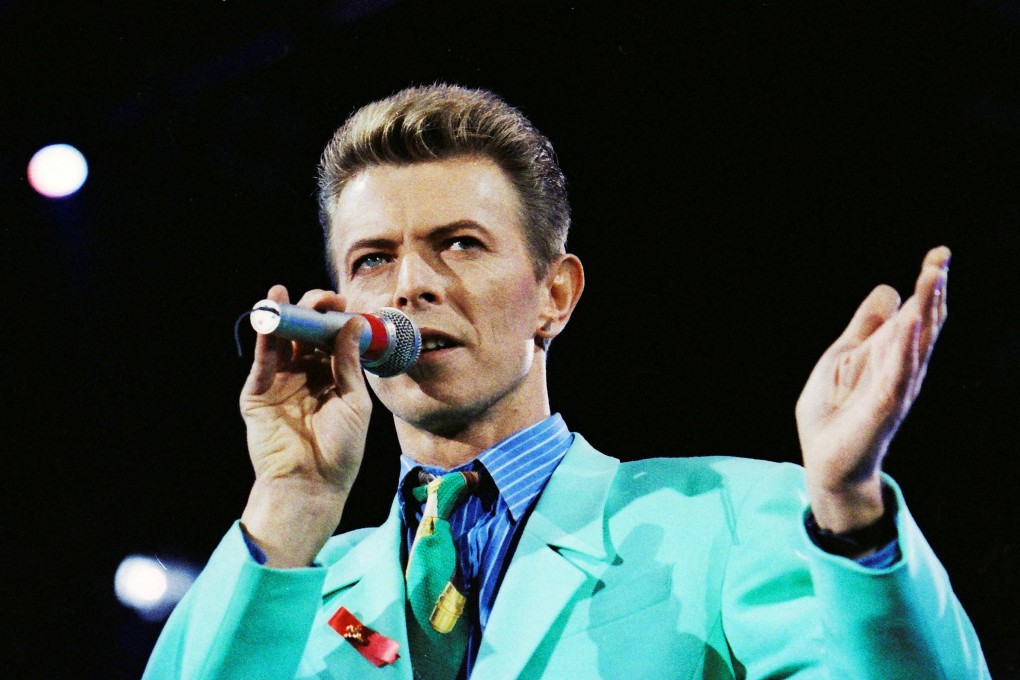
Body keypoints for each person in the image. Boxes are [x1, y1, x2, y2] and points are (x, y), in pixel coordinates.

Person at [143, 85, 989, 679]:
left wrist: (850, 513)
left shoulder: (733, 517)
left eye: (460, 244)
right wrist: (291, 502)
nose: (410, 286)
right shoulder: (293, 583)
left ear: (555, 295)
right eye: (374, 259)